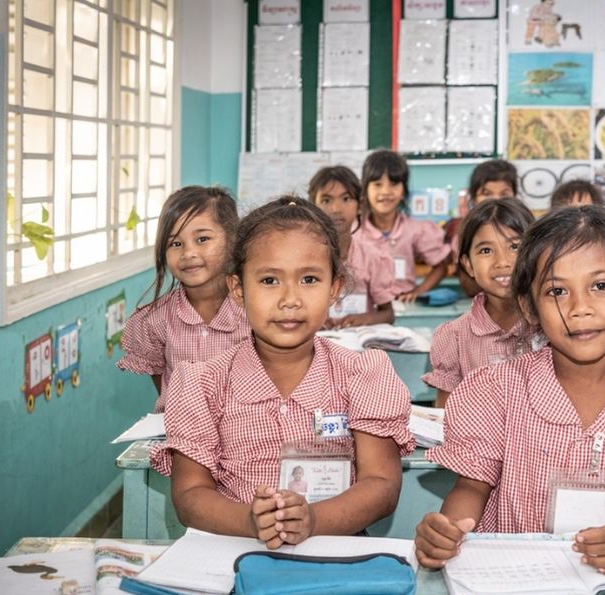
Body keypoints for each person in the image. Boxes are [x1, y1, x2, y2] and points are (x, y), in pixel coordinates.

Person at [414, 205, 605, 574]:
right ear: (530, 306)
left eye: (601, 286)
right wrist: (447, 531)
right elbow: (471, 488)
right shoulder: (494, 390)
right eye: (557, 291)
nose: (580, 308)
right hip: (511, 575)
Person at [151, 196, 416, 544]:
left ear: (334, 288)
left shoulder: (362, 373)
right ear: (238, 289)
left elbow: (382, 485)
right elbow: (189, 494)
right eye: (269, 281)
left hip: (334, 555)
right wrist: (248, 521)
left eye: (308, 279)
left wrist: (312, 520)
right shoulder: (203, 383)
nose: (290, 299)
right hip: (232, 554)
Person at [117, 186, 249, 412]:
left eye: (202, 239)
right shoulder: (154, 320)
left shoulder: (255, 310)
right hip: (181, 438)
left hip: (246, 432)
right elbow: (165, 389)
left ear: (232, 239)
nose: (188, 253)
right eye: (176, 244)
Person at [423, 198, 538, 407]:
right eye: (486, 250)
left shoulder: (552, 325)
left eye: (514, 246)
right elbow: (445, 417)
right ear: (468, 264)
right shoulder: (455, 337)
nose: (502, 261)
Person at [352, 150, 451, 302]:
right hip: (365, 312)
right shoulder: (354, 231)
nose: (385, 192)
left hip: (402, 308)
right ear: (365, 190)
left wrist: (418, 292)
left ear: (404, 190)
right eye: (377, 184)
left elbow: (441, 266)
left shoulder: (416, 230)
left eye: (394, 184)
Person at [309, 165, 396, 328]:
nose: (336, 209)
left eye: (346, 199)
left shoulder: (373, 257)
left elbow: (388, 314)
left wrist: (366, 319)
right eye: (326, 200)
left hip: (359, 343)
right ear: (313, 207)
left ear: (359, 205)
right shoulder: (302, 258)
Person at [444, 159, 520, 297]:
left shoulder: (525, 227)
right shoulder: (465, 231)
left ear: (515, 195)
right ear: (473, 197)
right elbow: (470, 287)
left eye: (504, 194)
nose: (496, 199)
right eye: (487, 193)